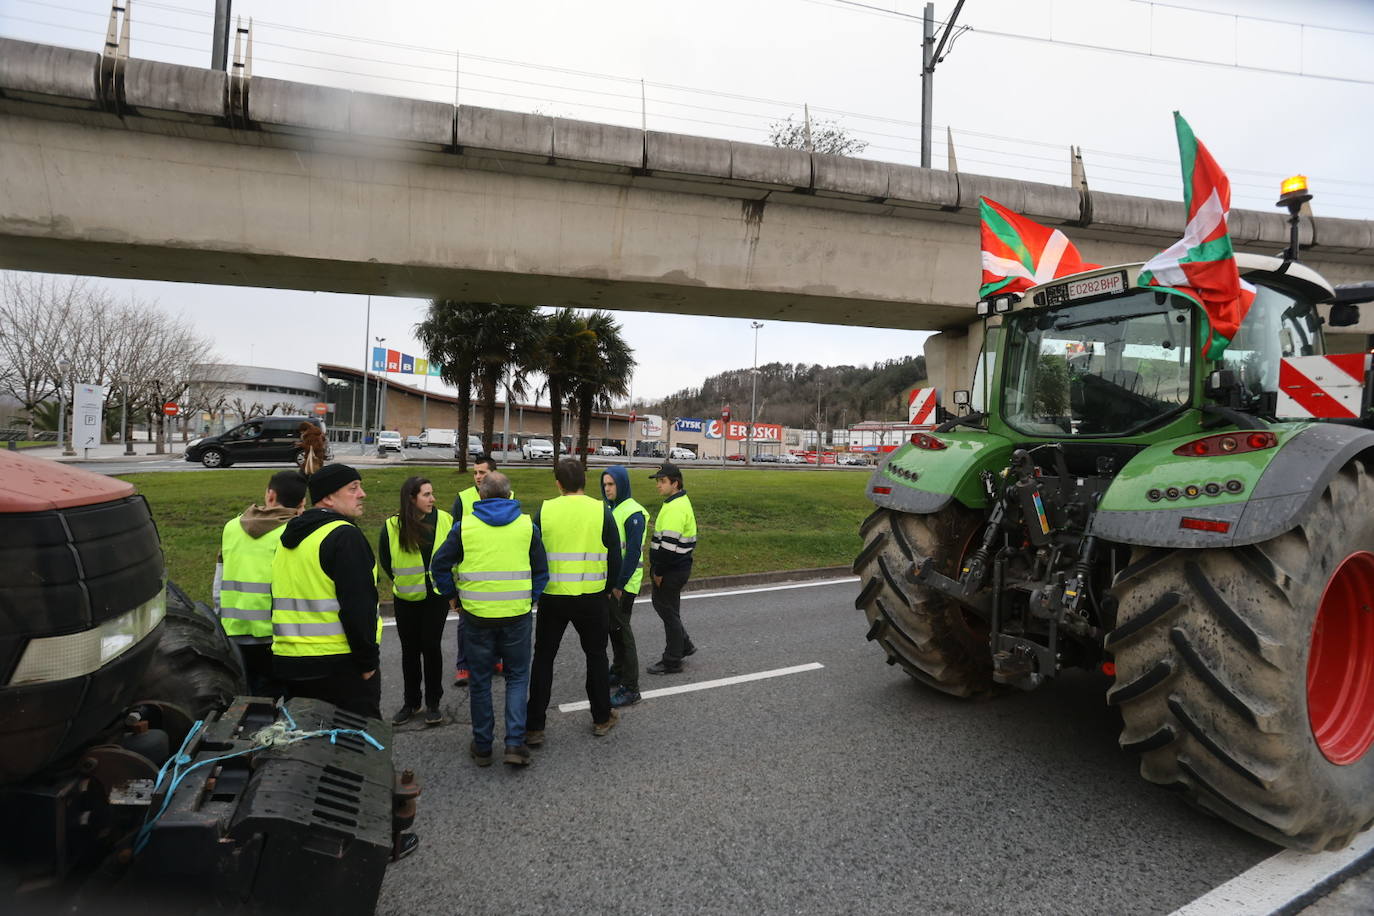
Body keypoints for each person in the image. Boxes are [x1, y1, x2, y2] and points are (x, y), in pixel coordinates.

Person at [432, 471, 547, 767]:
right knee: (517, 677)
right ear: (510, 495)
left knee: (480, 681)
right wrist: (530, 596)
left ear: (480, 495)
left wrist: (452, 596)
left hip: (477, 616)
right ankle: (514, 743)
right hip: (517, 615)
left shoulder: (464, 527)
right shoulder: (526, 525)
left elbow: (439, 565)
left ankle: (483, 746)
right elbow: (541, 570)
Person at [270, 463, 384, 719]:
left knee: (306, 746)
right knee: (356, 745)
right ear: (329, 497)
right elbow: (358, 607)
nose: (362, 494)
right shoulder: (344, 536)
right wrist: (367, 664)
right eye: (353, 488)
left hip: (290, 663)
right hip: (339, 666)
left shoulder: (290, 536)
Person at [525, 457, 622, 745]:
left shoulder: (545, 510)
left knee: (543, 657)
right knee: (596, 656)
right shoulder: (600, 510)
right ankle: (601, 718)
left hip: (553, 596)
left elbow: (533, 552)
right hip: (592, 596)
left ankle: (535, 726)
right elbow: (614, 554)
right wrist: (609, 586)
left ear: (558, 484)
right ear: (585, 482)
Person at [213, 469, 307, 695]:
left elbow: (219, 582)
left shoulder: (232, 527)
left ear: (270, 495)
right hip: (277, 636)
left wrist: (220, 617)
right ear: (302, 502)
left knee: (245, 701)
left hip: (233, 632)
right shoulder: (295, 532)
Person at [379, 476, 453, 727]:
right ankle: (411, 702)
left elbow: (456, 553)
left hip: (436, 597)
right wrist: (405, 581)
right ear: (412, 498)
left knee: (431, 648)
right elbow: (386, 560)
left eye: (432, 494)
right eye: (426, 495)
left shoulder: (445, 520)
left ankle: (433, 702)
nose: (432, 499)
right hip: (406, 598)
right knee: (409, 651)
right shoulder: (392, 525)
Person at [448, 454, 513, 686]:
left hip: (499, 567)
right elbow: (454, 536)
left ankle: (496, 659)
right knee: (466, 621)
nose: (477, 477)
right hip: (472, 569)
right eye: (475, 472)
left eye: (482, 473)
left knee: (498, 618)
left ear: (493, 475)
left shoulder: (510, 496)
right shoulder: (463, 499)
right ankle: (463, 666)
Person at [600, 465, 648, 708]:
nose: (607, 488)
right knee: (615, 630)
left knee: (622, 631)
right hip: (612, 582)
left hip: (624, 584)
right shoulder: (612, 508)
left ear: (622, 484)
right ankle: (618, 671)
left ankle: (631, 687)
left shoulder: (633, 512)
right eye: (605, 484)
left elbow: (631, 553)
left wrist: (619, 585)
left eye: (611, 484)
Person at [647, 462, 697, 675]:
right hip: (677, 567)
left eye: (662, 481)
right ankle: (683, 645)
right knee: (671, 611)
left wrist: (658, 571)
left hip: (671, 569)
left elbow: (668, 548)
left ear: (675, 483)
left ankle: (672, 660)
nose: (658, 485)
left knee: (666, 610)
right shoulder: (675, 503)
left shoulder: (676, 508)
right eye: (658, 481)